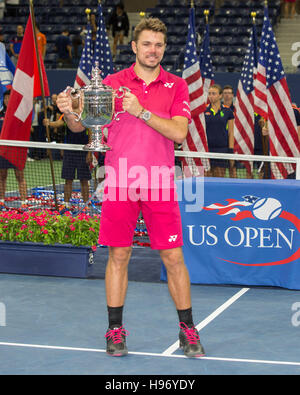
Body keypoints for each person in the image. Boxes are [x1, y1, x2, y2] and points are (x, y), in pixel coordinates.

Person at [56, 17, 205, 359]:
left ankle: (187, 329)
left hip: (159, 183)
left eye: (159, 45)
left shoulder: (176, 86)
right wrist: (68, 113)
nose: (153, 50)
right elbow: (84, 127)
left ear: (164, 49)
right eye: (147, 44)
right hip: (119, 182)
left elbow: (179, 133)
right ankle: (115, 329)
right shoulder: (111, 83)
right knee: (118, 255)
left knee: (173, 257)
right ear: (134, 47)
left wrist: (141, 111)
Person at [43, 98, 92, 211]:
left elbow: (90, 134)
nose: (74, 101)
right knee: (68, 179)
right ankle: (66, 204)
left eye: (76, 99)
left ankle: (86, 204)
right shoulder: (67, 114)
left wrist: (89, 152)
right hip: (69, 151)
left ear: (79, 101)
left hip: (83, 151)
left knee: (84, 180)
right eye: (72, 99)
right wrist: (49, 123)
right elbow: (58, 123)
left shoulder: (85, 115)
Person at [0, 89, 28, 209]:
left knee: (20, 176)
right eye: (5, 98)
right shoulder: (0, 114)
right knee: (2, 176)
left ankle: (24, 203)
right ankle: (1, 201)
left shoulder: (19, 114)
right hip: (3, 149)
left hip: (16, 149)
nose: (7, 100)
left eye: (9, 98)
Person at [205, 84, 235, 178]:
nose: (211, 96)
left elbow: (231, 133)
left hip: (222, 150)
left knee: (219, 178)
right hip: (206, 150)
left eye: (214, 93)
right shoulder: (203, 110)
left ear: (220, 95)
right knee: (206, 179)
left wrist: (230, 151)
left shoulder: (228, 111)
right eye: (209, 93)